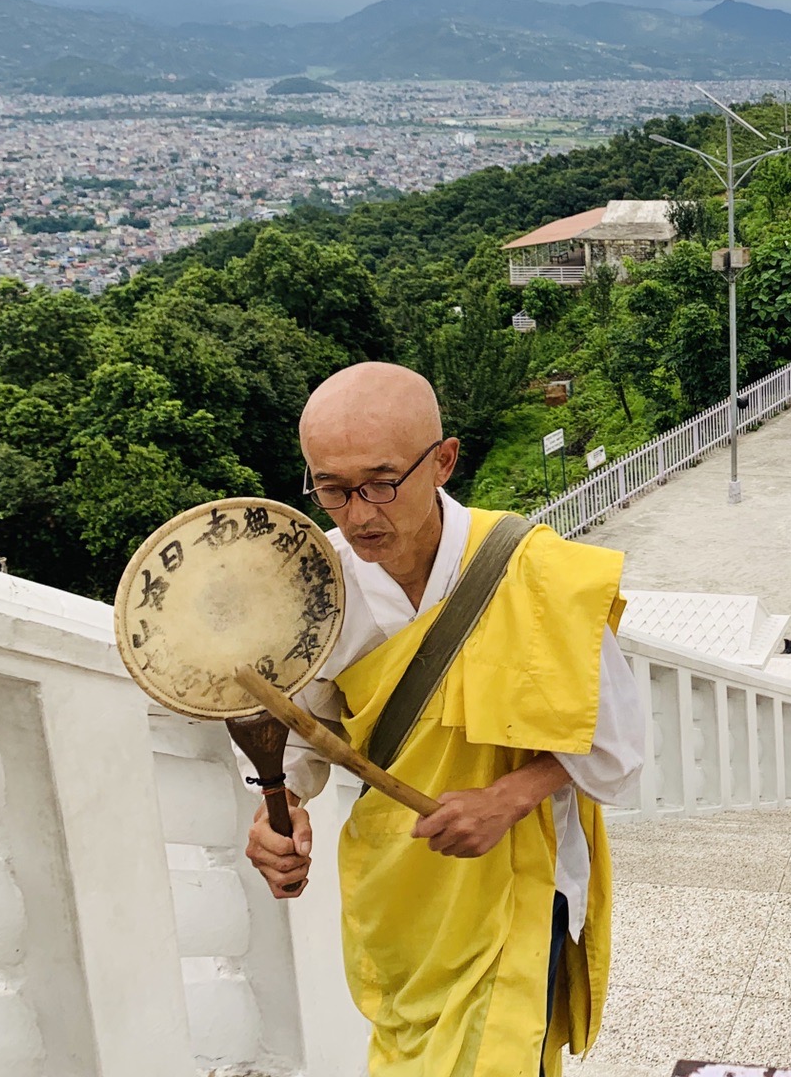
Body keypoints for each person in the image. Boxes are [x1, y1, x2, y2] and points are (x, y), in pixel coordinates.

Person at [244, 362, 644, 1077]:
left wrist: (506, 798)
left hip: (517, 880)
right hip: (403, 894)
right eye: (331, 489)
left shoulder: (537, 573)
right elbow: (300, 745)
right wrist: (281, 812)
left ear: (444, 460)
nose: (360, 514)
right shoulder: (310, 592)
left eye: (381, 483)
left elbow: (615, 749)